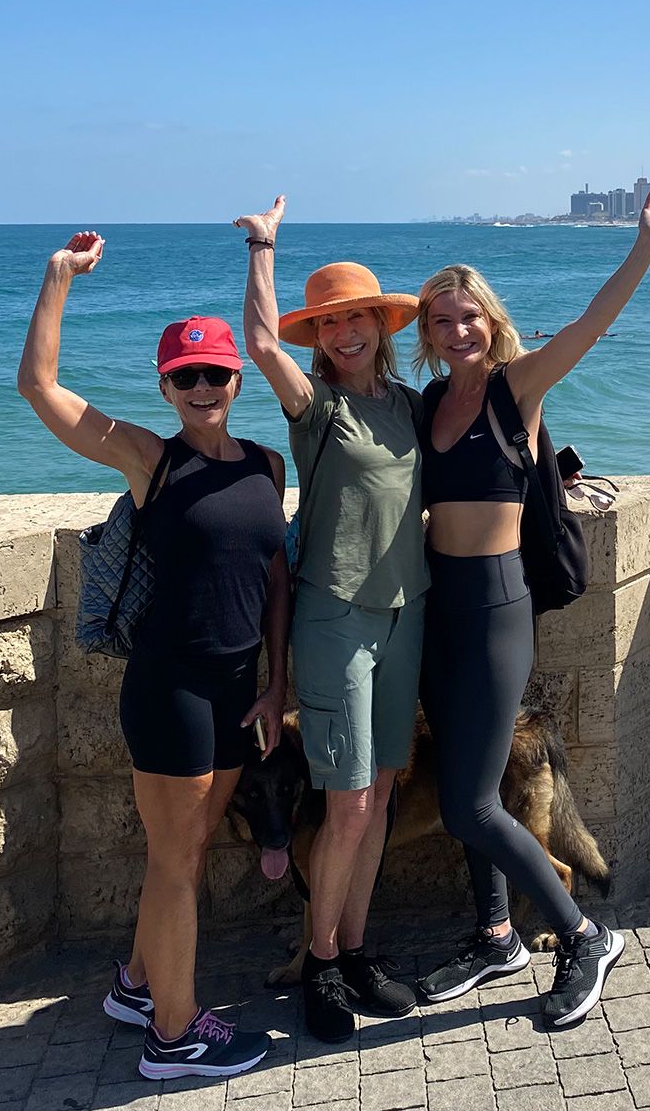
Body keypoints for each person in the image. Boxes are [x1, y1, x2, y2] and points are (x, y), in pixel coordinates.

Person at [410, 183, 650, 1028]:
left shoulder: (515, 389)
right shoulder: (429, 404)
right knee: (472, 778)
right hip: (440, 604)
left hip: (500, 605)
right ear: (426, 334)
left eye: (467, 316)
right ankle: (495, 932)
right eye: (440, 320)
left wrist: (645, 246)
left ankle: (583, 935)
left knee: (469, 800)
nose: (456, 329)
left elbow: (589, 327)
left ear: (490, 321)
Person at [17, 232, 281, 1080]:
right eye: (185, 375)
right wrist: (59, 279)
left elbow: (274, 575)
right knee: (175, 857)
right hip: (170, 685)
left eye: (217, 373)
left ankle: (137, 982)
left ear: (239, 380)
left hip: (241, 685)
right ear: (165, 386)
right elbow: (41, 388)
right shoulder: (149, 459)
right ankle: (173, 1034)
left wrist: (278, 681)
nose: (203, 387)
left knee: (192, 848)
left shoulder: (268, 465)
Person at [235, 196, 426, 1044]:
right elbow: (261, 344)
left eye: (359, 318)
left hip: (405, 612)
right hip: (332, 617)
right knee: (345, 801)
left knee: (379, 795)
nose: (347, 332)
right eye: (334, 321)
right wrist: (264, 248)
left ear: (381, 325)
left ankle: (354, 950)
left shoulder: (408, 404)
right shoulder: (317, 408)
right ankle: (319, 962)